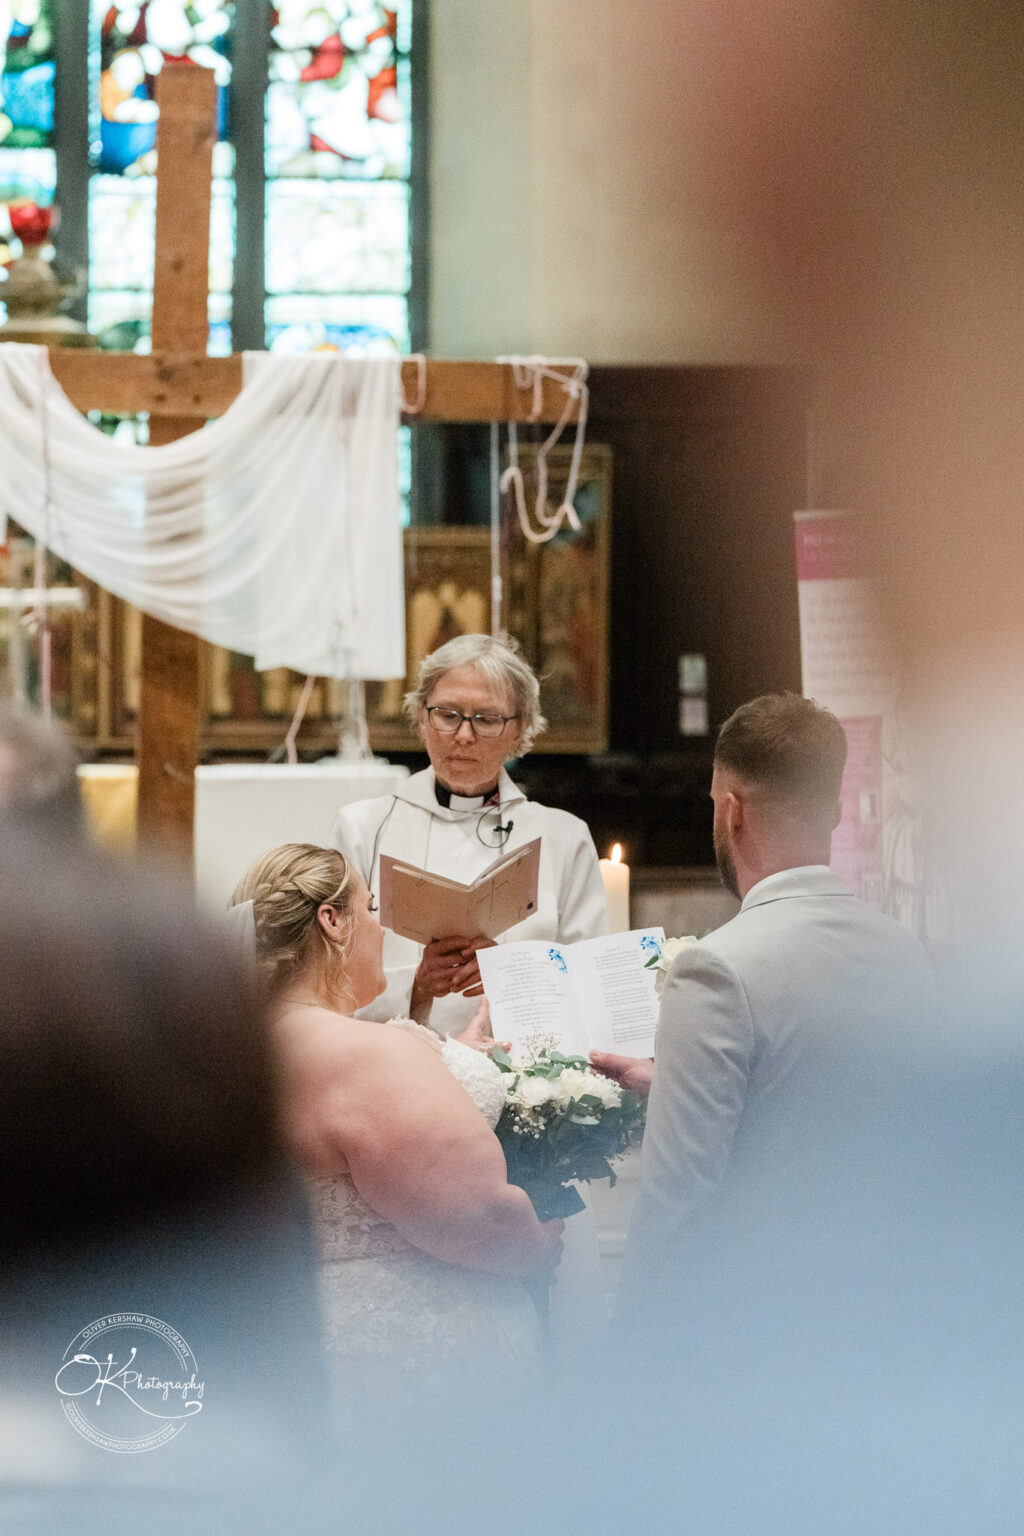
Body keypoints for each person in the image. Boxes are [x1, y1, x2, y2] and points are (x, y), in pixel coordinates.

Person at [594, 693, 936, 1310]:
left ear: (732, 812)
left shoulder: (716, 969)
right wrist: (682, 1082)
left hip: (765, 1320)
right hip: (887, 1307)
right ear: (833, 812)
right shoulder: (904, 950)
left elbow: (675, 1211)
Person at [229, 842, 562, 1400]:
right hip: (420, 1363)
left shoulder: (236, 1054)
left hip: (307, 1350)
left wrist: (455, 1058)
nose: (382, 930)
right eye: (370, 908)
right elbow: (476, 1220)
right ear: (332, 921)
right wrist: (538, 1242)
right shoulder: (364, 1055)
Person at [331, 632, 608, 1038]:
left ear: (520, 730)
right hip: (397, 1069)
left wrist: (508, 975)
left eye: (487, 719)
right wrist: (418, 985)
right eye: (447, 714)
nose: (464, 735)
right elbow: (327, 980)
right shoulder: (363, 828)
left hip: (522, 1076)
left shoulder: (563, 837)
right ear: (422, 720)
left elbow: (592, 982)